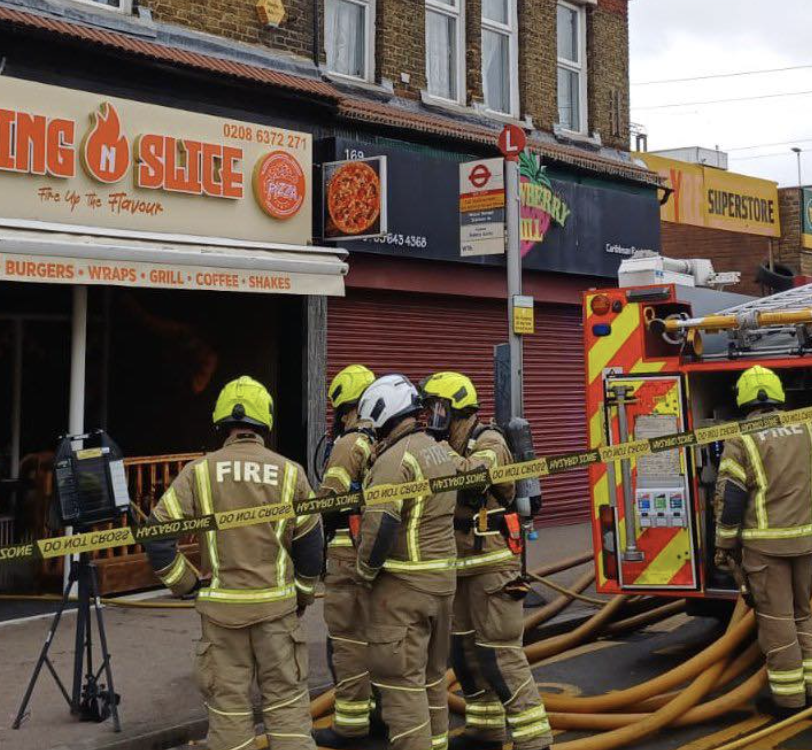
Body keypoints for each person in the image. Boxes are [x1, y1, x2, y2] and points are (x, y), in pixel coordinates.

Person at [145, 376, 323, 750]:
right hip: (277, 614)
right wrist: (302, 597)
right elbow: (310, 549)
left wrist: (188, 585)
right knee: (289, 710)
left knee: (229, 716)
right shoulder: (291, 473)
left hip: (222, 617)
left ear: (222, 424)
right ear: (265, 423)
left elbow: (157, 537)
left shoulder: (199, 472)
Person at [421, 372, 552, 750]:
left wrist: (433, 449)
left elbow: (474, 480)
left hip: (493, 567)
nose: (430, 415)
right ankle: (485, 729)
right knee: (465, 656)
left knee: (499, 655)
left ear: (453, 409)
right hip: (461, 568)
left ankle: (535, 740)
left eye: (435, 407)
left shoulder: (489, 441)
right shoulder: (449, 444)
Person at [354, 374, 458, 750]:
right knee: (432, 678)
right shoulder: (438, 449)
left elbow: (380, 526)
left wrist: (364, 572)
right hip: (442, 583)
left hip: (403, 589)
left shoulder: (394, 459)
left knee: (401, 684)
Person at [714, 365, 812, 719]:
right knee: (804, 614)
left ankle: (788, 700)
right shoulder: (806, 427)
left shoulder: (742, 438)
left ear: (742, 400)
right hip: (806, 542)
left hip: (766, 548)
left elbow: (732, 499)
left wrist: (725, 545)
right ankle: (810, 686)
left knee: (777, 621)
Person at [315, 364, 378, 748]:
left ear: (346, 408)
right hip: (381, 557)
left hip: (346, 557)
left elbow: (330, 503)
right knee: (379, 640)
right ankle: (383, 714)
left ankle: (352, 725)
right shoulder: (387, 441)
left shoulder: (347, 445)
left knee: (348, 642)